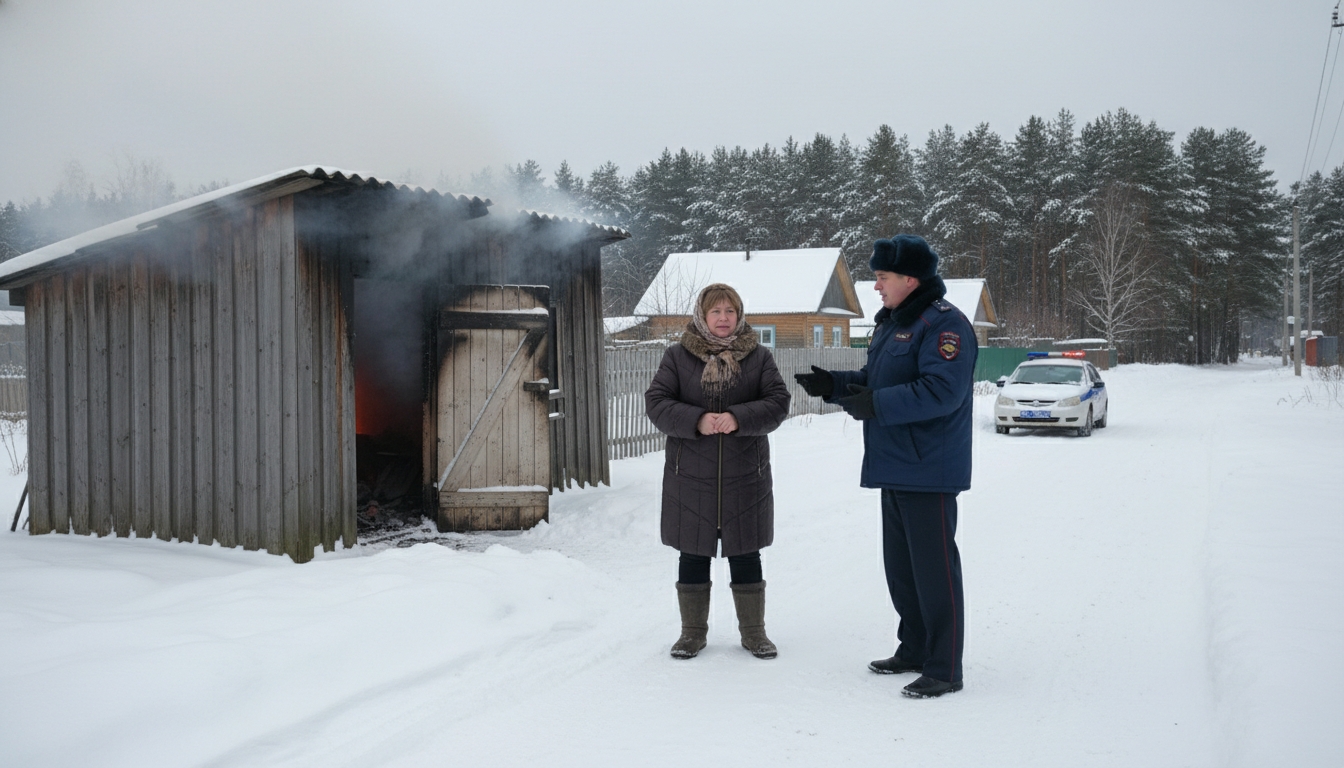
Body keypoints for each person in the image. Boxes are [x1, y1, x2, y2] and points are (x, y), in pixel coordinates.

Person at [794, 235, 976, 698]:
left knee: (934, 572)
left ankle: (944, 668)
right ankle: (914, 648)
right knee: (902, 569)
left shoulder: (944, 327)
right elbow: (877, 382)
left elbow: (941, 391)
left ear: (909, 279)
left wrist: (874, 403)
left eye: (882, 277)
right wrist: (834, 384)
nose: (876, 286)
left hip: (928, 469)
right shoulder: (896, 325)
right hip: (894, 465)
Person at [645, 283, 791, 660]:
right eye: (716, 312)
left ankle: (754, 633)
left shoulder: (757, 357)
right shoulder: (677, 357)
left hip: (746, 471)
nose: (724, 318)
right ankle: (691, 633)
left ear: (739, 315)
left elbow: (777, 402)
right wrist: (697, 420)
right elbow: (657, 402)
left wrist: (737, 417)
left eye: (730, 311)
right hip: (689, 473)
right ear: (702, 316)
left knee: (746, 550)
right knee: (693, 551)